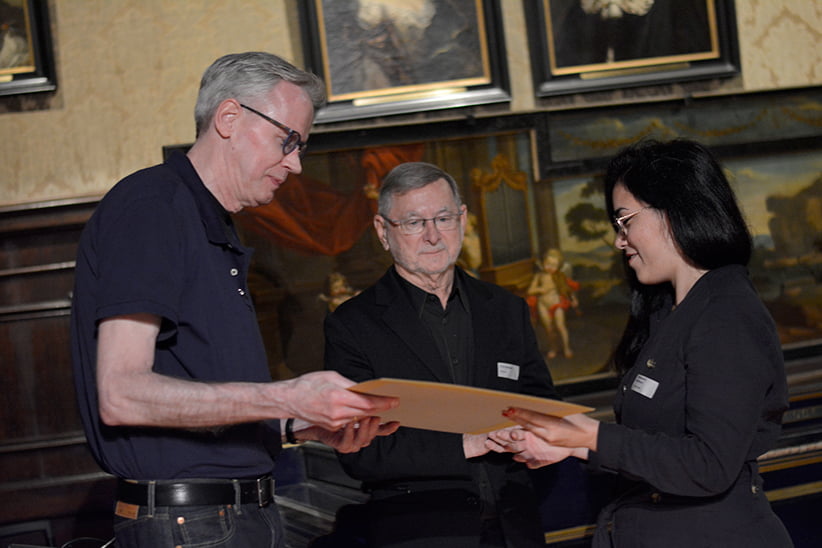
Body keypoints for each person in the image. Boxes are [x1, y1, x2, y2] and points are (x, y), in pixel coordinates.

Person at [70, 52, 399, 548]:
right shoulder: (152, 208)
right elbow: (122, 395)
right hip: (193, 526)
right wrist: (286, 395)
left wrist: (298, 425)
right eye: (287, 140)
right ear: (229, 118)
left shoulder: (212, 222)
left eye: (301, 146)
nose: (295, 163)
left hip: (230, 517)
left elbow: (197, 392)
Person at [490, 139, 794, 547]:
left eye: (625, 220)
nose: (619, 240)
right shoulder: (670, 312)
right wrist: (570, 447)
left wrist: (589, 438)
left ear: (673, 212)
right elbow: (655, 448)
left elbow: (708, 465)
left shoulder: (726, 314)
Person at [322, 161, 560, 547]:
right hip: (422, 532)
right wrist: (469, 441)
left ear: (463, 220)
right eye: (414, 223)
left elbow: (542, 401)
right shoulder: (352, 325)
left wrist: (541, 431)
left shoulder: (505, 308)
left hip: (516, 529)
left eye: (443, 218)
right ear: (384, 232)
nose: (433, 236)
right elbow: (359, 449)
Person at [526, 248, 580, 360]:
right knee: (549, 328)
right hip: (543, 305)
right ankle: (553, 348)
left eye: (554, 265)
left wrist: (573, 299)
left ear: (558, 266)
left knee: (560, 326)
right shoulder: (539, 276)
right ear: (543, 263)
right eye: (548, 264)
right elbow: (530, 291)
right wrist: (540, 289)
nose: (550, 267)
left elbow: (567, 289)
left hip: (556, 304)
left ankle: (566, 348)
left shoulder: (559, 276)